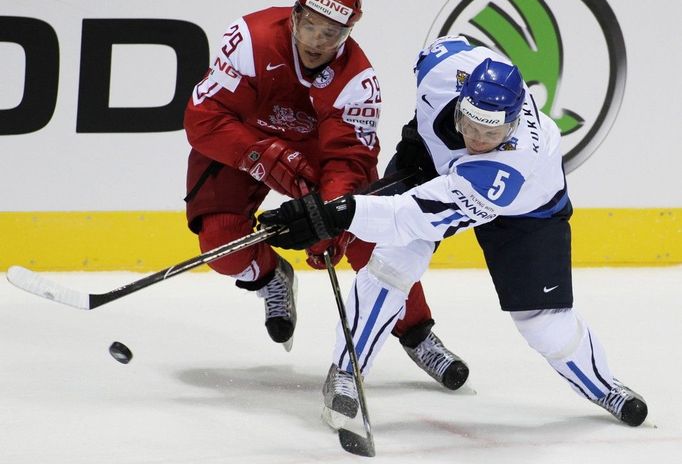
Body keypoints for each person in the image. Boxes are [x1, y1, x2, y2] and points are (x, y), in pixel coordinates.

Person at [258, 35, 649, 427]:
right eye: (469, 124)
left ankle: (603, 386)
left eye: (491, 133)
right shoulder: (441, 67)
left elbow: (408, 216)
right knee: (391, 265)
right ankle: (345, 374)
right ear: (461, 100)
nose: (477, 140)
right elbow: (440, 62)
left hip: (526, 211)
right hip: (436, 165)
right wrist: (414, 147)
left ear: (511, 128)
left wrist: (334, 215)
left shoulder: (505, 168)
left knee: (544, 323)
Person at [182, 0, 468, 411]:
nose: (316, 41)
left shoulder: (359, 80)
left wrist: (329, 219)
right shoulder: (250, 39)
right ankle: (270, 277)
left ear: (348, 31)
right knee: (220, 242)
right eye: (310, 25)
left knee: (368, 242)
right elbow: (204, 121)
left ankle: (416, 332)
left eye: (330, 32)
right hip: (243, 141)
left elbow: (347, 162)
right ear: (294, 15)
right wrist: (262, 154)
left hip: (317, 158)